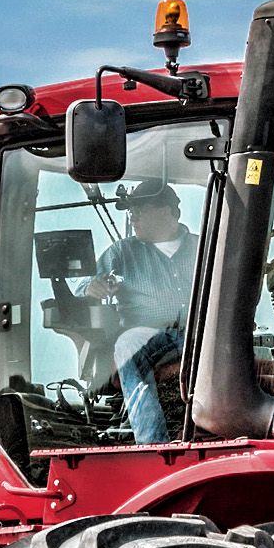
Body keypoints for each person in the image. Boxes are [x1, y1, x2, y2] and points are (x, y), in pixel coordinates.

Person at [82, 178, 199, 443]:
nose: (133, 218)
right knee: (128, 342)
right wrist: (93, 286)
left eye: (140, 211)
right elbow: (85, 284)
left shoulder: (204, 246)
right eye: (131, 212)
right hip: (153, 337)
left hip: (201, 335)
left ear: (167, 211)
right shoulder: (122, 252)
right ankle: (153, 442)